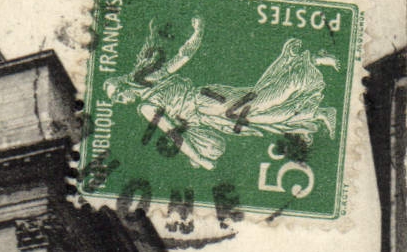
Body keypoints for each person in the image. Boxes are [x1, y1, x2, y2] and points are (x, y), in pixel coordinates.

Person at [102, 17, 339, 171]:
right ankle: (314, 114)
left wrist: (198, 33)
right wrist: (199, 155)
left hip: (206, 101)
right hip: (208, 116)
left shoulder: (148, 97)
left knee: (258, 106)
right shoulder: (146, 99)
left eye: (119, 95)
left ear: (125, 86)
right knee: (258, 120)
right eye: (117, 100)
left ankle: (312, 64)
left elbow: (173, 132)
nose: (122, 101)